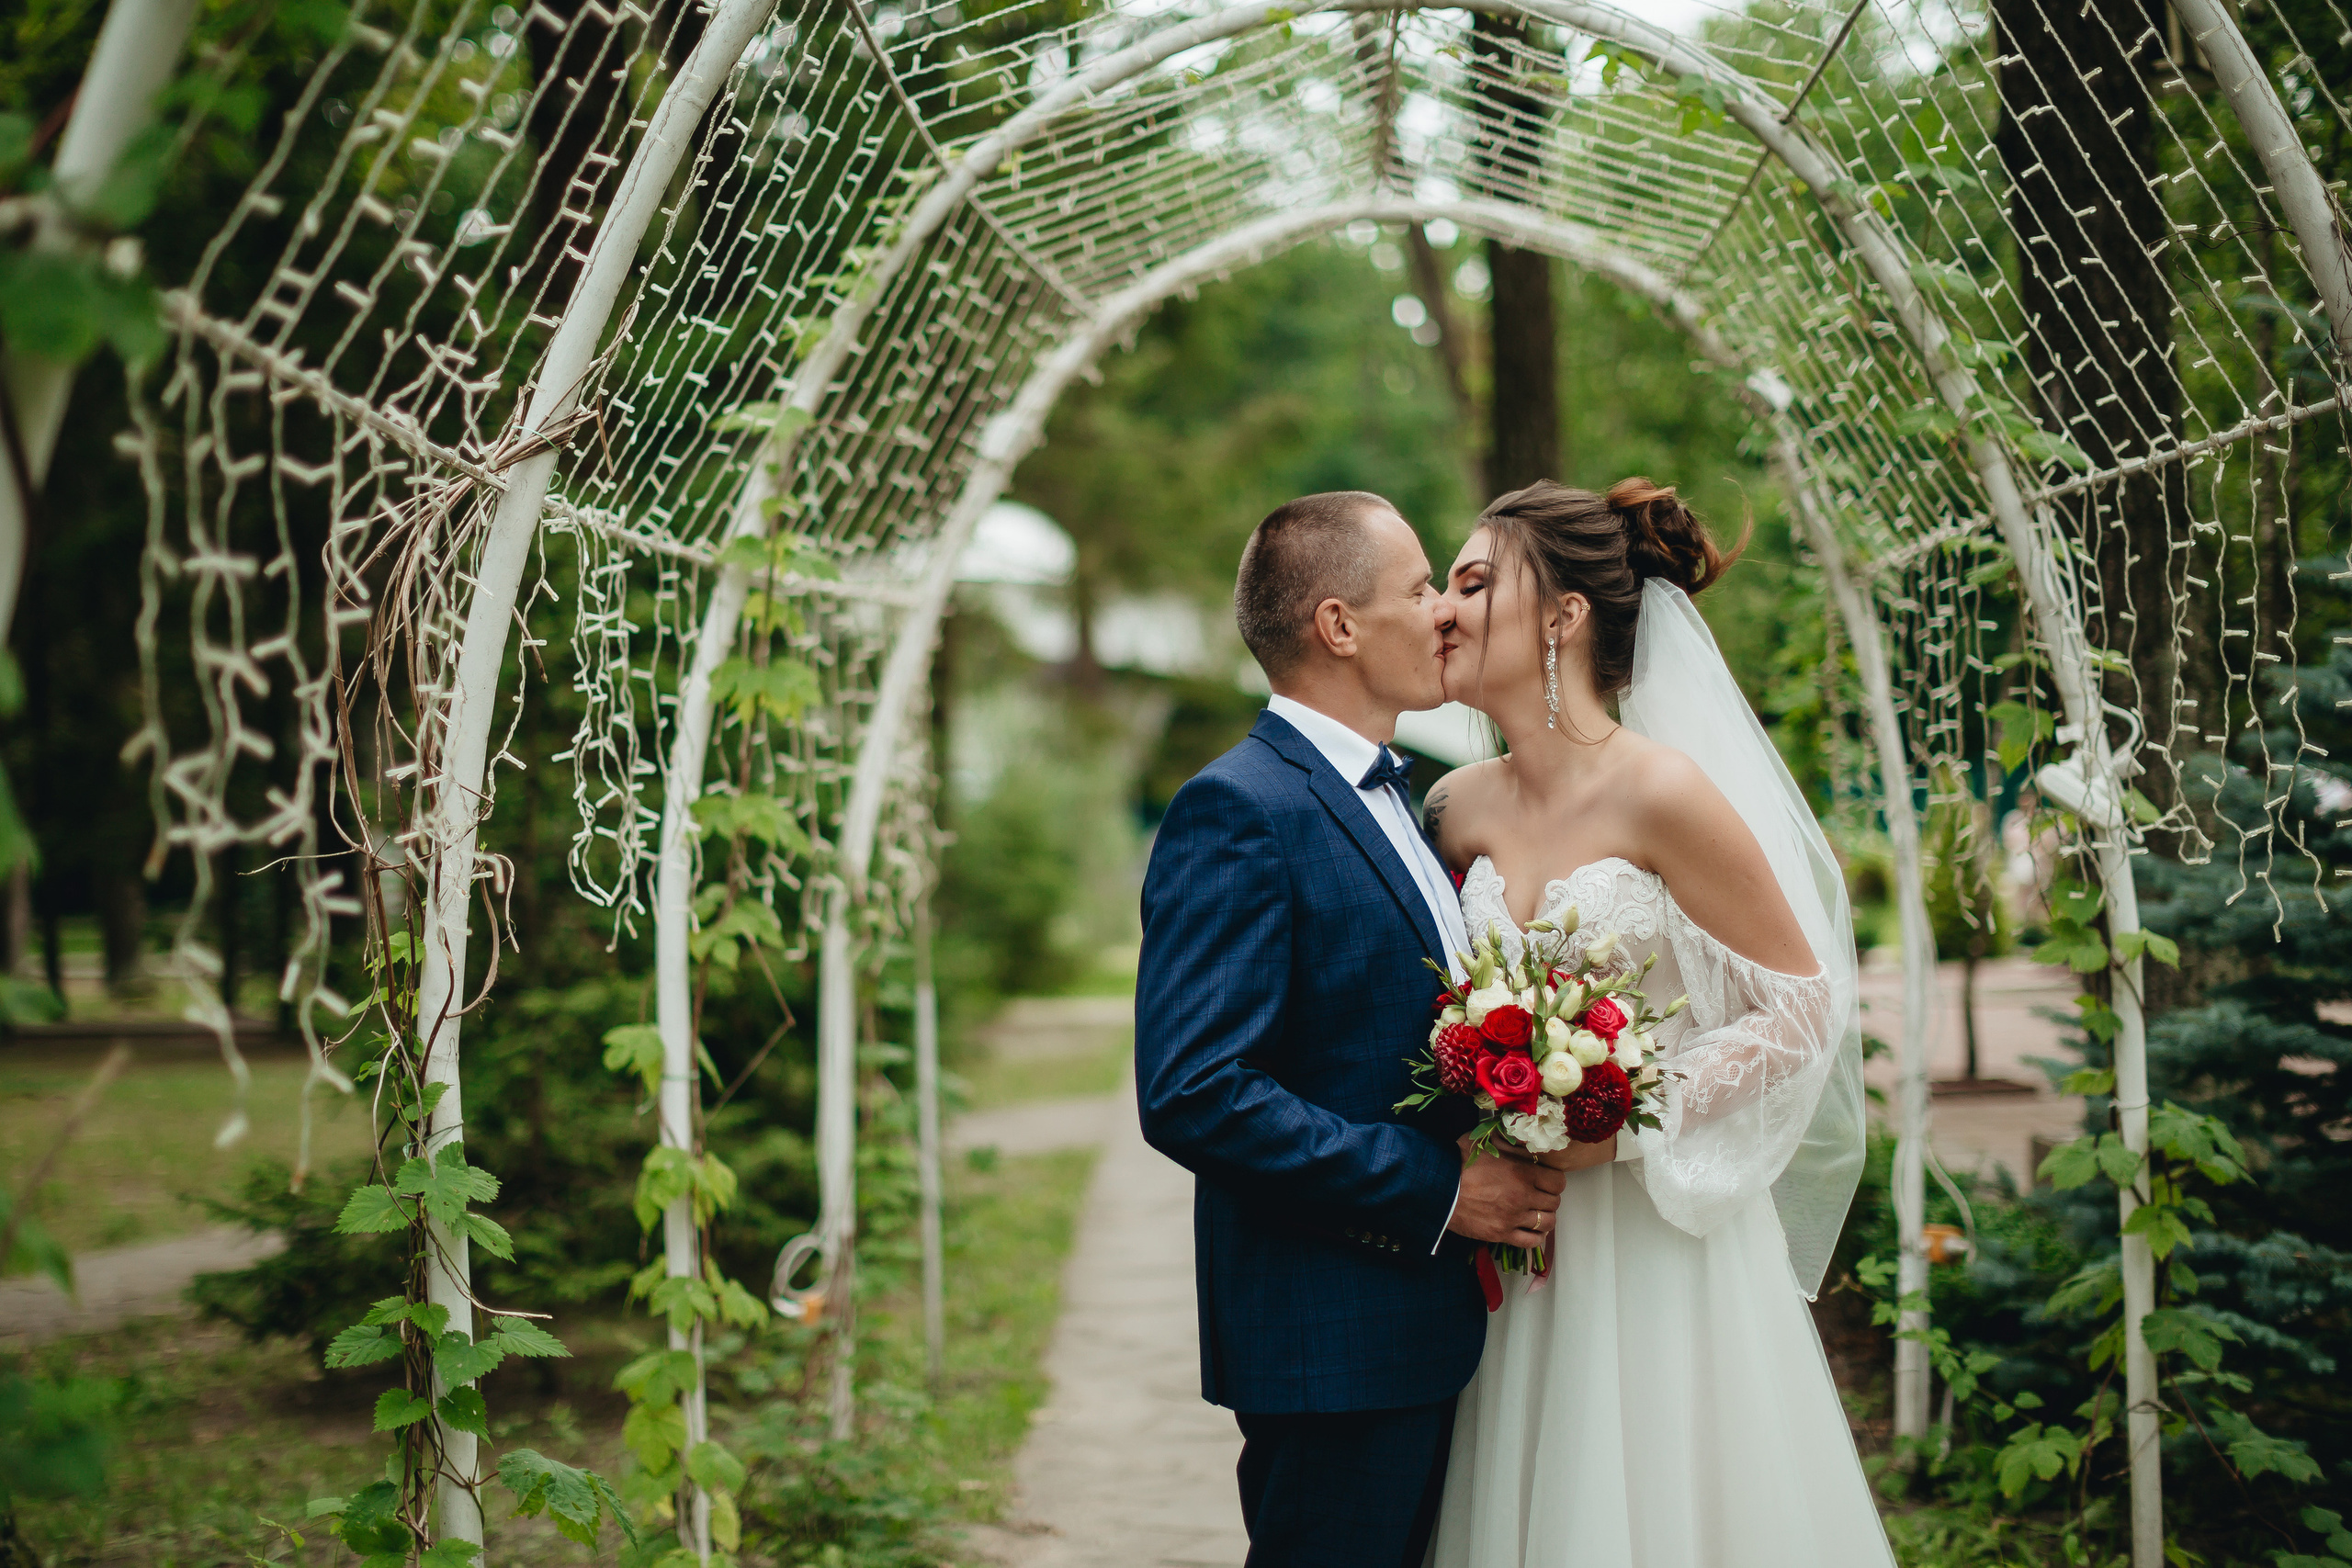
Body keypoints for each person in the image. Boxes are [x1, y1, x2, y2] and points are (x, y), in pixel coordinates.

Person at [1420, 478, 1892, 1566]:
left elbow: (1805, 1004)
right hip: (1514, 1230)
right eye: (1443, 586)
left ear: (1564, 615)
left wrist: (1623, 1114)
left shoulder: (1663, 792)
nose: (1441, 608)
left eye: (1474, 581)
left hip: (1647, 1234)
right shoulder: (1454, 808)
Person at [1135, 491, 1571, 1568]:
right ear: (1337, 625)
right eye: (1420, 587)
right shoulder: (1239, 807)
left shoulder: (1407, 800)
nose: (1440, 613)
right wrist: (1440, 1191)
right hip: (1328, 1340)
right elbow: (1194, 1088)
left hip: (1421, 1334)